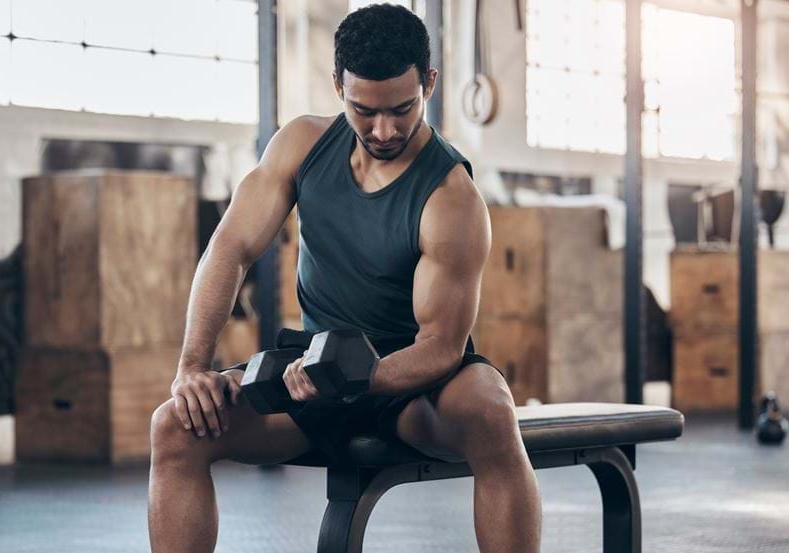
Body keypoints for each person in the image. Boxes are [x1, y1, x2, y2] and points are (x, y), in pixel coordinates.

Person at [148, 4, 541, 552]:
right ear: (338, 86)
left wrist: (350, 377)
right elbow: (229, 249)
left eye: (402, 109)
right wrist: (191, 366)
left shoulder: (451, 198)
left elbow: (440, 345)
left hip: (413, 388)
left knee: (492, 411)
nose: (383, 130)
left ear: (428, 82)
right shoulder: (302, 146)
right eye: (364, 110)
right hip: (313, 367)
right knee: (175, 426)